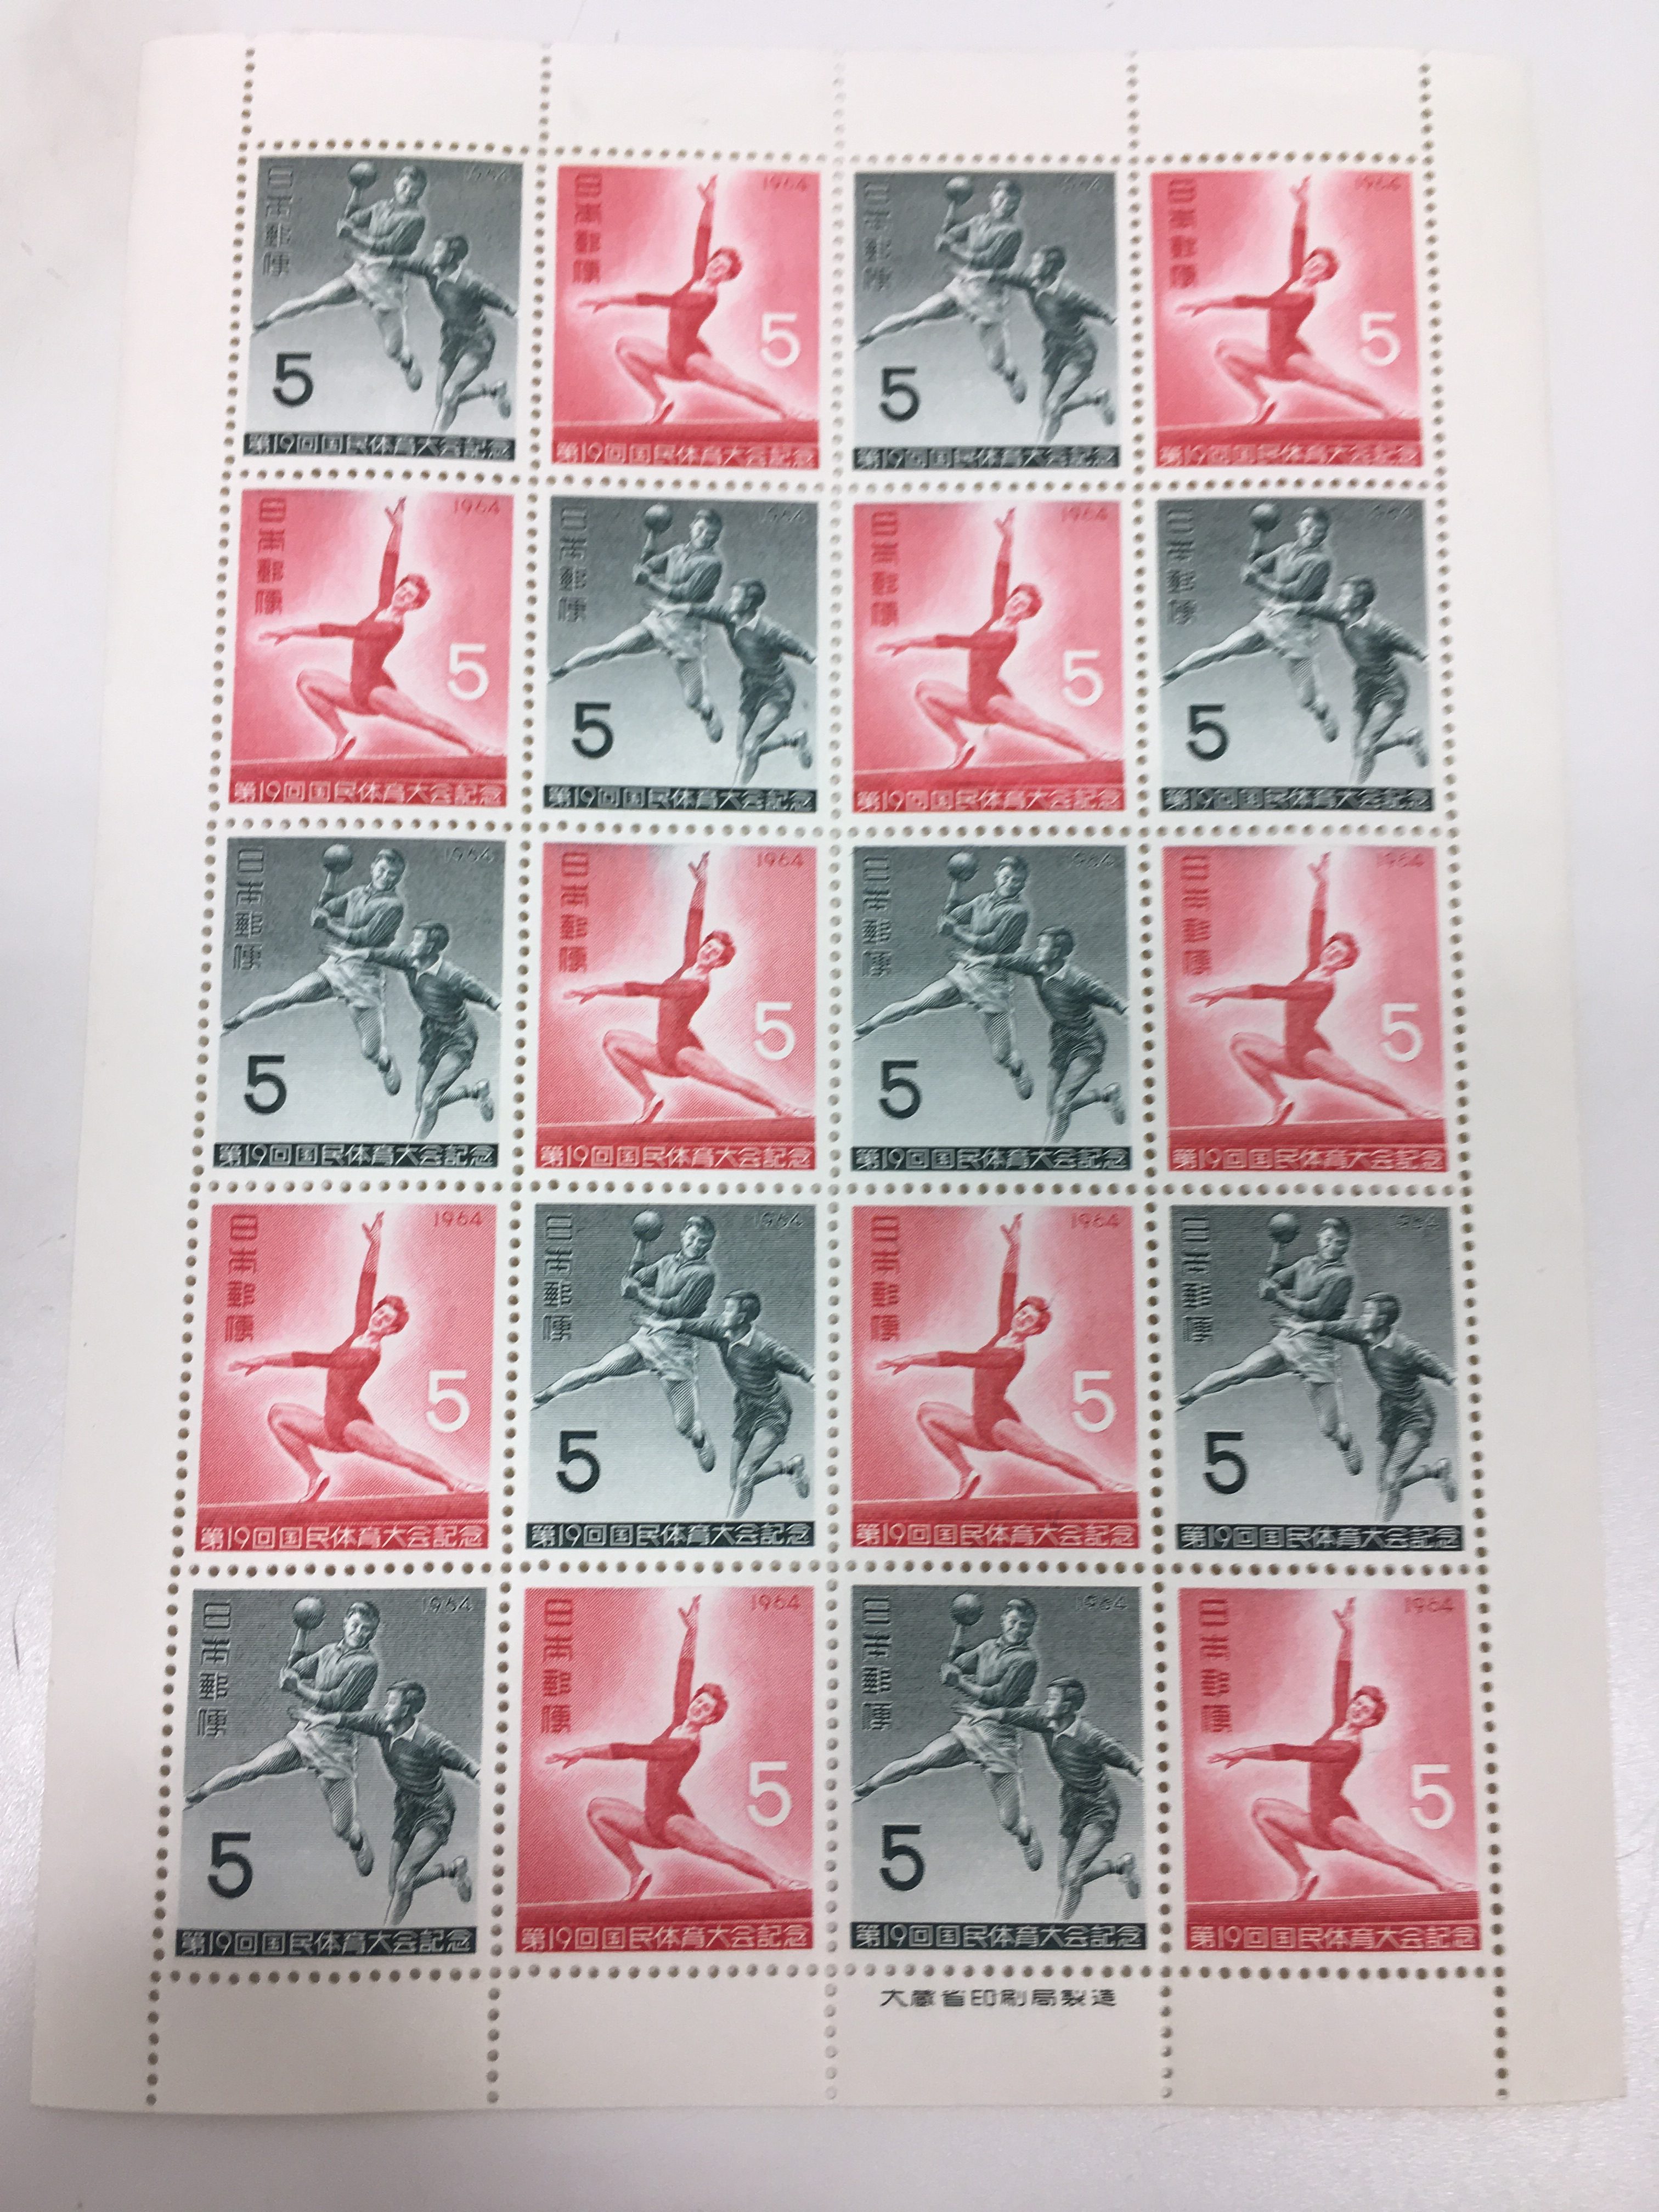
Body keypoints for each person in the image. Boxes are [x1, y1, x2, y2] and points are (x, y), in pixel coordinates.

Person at [1208, 1600, 1474, 1902]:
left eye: (1366, 1711)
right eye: (1357, 1703)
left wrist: (1244, 1752)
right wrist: (1348, 1634)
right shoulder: (1338, 1723)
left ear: (1371, 1722)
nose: (1358, 1709)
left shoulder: (1348, 1749)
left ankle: (1444, 1882)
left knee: (1387, 1853)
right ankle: (1305, 1874)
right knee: (1263, 1810)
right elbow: (1342, 1676)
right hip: (1316, 1823)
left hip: (1338, 1823)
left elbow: (1294, 1752)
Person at [547, 1597, 802, 1900]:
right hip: (651, 1821)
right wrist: (692, 1632)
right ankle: (637, 1872)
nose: (698, 1708)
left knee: (721, 1851)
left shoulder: (684, 1746)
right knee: (598, 1810)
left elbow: (631, 1751)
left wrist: (582, 1752)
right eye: (698, 1702)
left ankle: (779, 1879)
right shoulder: (680, 1720)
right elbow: (684, 1673)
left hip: (673, 1822)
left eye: (706, 1709)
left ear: (710, 1720)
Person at [227, 1213, 477, 1503]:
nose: (379, 1318)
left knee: (398, 1455)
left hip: (352, 1426)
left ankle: (455, 1482)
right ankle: (315, 1475)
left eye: (387, 1320)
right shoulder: (360, 1330)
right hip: (329, 1427)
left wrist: (264, 1360)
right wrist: (375, 1246)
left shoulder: (367, 1356)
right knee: (279, 1415)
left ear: (391, 1330)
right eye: (380, 1313)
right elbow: (366, 1285)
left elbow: (313, 1359)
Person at [877, 1214, 1120, 1502]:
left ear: (1035, 1331)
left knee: (1048, 1455)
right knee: (928, 1414)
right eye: (1022, 1313)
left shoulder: (1010, 1355)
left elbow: (958, 1359)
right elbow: (1008, 1288)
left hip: (999, 1426)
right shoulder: (1005, 1332)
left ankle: (1104, 1482)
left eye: (1030, 1321)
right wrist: (1015, 1248)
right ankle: (967, 1473)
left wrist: (910, 1359)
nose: (1022, 1319)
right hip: (979, 1424)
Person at [1187, 854, 1424, 1126]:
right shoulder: (1314, 966)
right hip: (1291, 1054)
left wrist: (1222, 992)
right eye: (1331, 948)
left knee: (1358, 1082)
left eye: (1339, 955)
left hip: (1312, 1055)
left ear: (1343, 965)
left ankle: (1411, 1107)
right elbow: (1317, 923)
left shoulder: (1322, 988)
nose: (1332, 953)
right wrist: (1322, 885)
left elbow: (1271, 992)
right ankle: (1281, 1100)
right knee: (1241, 1044)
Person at [563, 854, 798, 1124]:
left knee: (730, 1081)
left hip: (684, 1055)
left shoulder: (695, 987)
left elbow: (642, 989)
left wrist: (597, 989)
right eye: (708, 946)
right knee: (613, 1041)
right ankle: (650, 1098)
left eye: (715, 954)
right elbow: (694, 920)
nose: (707, 952)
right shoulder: (690, 963)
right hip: (662, 1053)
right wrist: (702, 884)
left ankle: (783, 1106)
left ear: (719, 964)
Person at [259, 501, 483, 762]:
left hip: (377, 694)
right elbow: (390, 564)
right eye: (402, 590)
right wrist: (398, 529)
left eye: (409, 596)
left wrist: (292, 630)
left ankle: (475, 745)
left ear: (413, 606)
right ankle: (343, 735)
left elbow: (337, 630)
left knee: (425, 721)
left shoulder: (390, 629)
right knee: (307, 680)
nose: (402, 595)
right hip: (356, 691)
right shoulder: (384, 606)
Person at [875, 509, 1095, 772]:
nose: (1015, 604)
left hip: (995, 702)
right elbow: (1001, 575)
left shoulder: (1005, 637)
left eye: (1022, 605)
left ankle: (1091, 750)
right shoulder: (997, 617)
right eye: (1015, 599)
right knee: (925, 691)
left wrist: (909, 642)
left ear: (1026, 615)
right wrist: (1008, 540)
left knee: (1041, 727)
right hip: (974, 701)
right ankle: (963, 744)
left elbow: (955, 641)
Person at [184, 1598, 383, 1877]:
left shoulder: (367, 1664)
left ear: (372, 1634)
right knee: (251, 1768)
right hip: (306, 1734)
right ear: (345, 1623)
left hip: (337, 1748)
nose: (359, 1632)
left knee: (342, 1827)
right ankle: (195, 1796)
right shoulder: (328, 1651)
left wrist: (297, 1689)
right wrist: (302, 1631)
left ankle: (357, 1840)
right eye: (356, 1625)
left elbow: (336, 1701)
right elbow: (297, 1668)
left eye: (366, 1629)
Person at [1175, 177, 1392, 427]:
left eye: (1319, 268)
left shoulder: (1304, 297)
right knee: (1226, 350)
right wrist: (1303, 205)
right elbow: (1298, 238)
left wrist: (1208, 303)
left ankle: (1389, 409)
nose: (1312, 266)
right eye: (1312, 262)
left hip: (1293, 360)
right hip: (1273, 358)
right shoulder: (1295, 279)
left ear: (1324, 277)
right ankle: (1264, 401)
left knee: (1337, 384)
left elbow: (1254, 302)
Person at [579, 177, 798, 425]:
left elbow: (654, 300)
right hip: (673, 359)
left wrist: (610, 299)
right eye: (715, 261)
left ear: (726, 277)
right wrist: (710, 205)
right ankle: (661, 400)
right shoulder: (697, 277)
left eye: (723, 268)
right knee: (626, 347)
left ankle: (786, 409)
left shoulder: (706, 297)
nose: (716, 266)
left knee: (736, 385)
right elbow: (703, 237)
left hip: (694, 361)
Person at [853, 1594, 1046, 1872]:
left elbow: (999, 1697)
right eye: (1013, 1622)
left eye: (1025, 1625)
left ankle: (1026, 1835)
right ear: (1004, 1620)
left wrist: (960, 1683)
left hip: (1000, 1739)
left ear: (1031, 1629)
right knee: (919, 1761)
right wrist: (961, 1629)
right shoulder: (988, 1647)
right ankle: (863, 1790)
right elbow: (957, 1663)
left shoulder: (1027, 1660)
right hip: (971, 1727)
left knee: (1010, 1821)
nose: (1017, 1629)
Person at [1176, 1214, 1364, 1479]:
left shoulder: (1343, 1277)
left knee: (1329, 1428)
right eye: (1328, 1238)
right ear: (1320, 1238)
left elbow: (1317, 1310)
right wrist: (1279, 1246)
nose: (1331, 1245)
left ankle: (1345, 1440)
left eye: (1338, 1242)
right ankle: (1186, 1398)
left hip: (1318, 1351)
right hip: (1289, 1340)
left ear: (1345, 1246)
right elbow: (1275, 1279)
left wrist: (1278, 1297)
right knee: (1240, 1372)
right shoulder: (1305, 1264)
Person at [533, 1214, 721, 1474]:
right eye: (693, 1238)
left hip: (677, 1350)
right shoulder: (667, 1262)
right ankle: (542, 1397)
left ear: (709, 1245)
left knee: (684, 1425)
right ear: (683, 1236)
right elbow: (637, 1278)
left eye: (703, 1242)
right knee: (597, 1370)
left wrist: (639, 1296)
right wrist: (641, 1244)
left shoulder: (704, 1274)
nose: (697, 1245)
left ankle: (698, 1436)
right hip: (648, 1338)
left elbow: (676, 1308)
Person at [223, 846, 408, 1098]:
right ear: (373, 867)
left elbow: (364, 938)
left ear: (398, 878)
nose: (385, 877)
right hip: (337, 968)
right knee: (287, 997)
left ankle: (384, 1062)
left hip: (365, 980)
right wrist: (332, 878)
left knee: (370, 1050)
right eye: (383, 870)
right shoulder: (356, 894)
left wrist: (328, 925)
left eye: (392, 874)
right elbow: (327, 907)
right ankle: (234, 1022)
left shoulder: (393, 906)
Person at [854, 851, 1036, 1101]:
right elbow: (952, 916)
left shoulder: (1018, 912)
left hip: (993, 984)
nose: (1010, 883)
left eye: (1016, 881)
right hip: (965, 973)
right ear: (997, 876)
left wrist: (955, 933)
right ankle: (864, 1028)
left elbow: (992, 944)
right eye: (1006, 877)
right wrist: (957, 883)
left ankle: (1017, 1067)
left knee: (1001, 1055)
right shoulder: (982, 901)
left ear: (1023, 884)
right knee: (916, 1004)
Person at [1162, 505, 1340, 747]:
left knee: (1306, 700)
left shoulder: (1321, 562)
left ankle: (1322, 712)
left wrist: (1258, 582)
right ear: (1299, 526)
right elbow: (1257, 565)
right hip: (1268, 622)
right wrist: (1261, 534)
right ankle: (1172, 674)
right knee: (1222, 650)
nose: (1312, 534)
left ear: (1325, 534)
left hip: (1296, 633)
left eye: (1318, 531)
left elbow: (1295, 593)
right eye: (1308, 527)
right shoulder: (1285, 550)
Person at [549, 509, 727, 744]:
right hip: (658, 622)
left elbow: (685, 594)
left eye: (711, 534)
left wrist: (649, 580)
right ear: (692, 527)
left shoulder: (712, 564)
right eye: (701, 530)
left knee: (693, 700)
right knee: (611, 649)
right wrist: (651, 540)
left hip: (685, 635)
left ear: (717, 537)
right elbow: (649, 565)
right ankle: (560, 671)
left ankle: (707, 711)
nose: (704, 536)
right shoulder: (676, 551)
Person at [255, 163, 430, 392]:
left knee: (393, 349)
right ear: (396, 184)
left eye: (415, 190)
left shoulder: (416, 219)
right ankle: (266, 322)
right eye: (405, 186)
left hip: (386, 287)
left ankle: (406, 360)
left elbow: (386, 247)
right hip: (361, 274)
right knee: (315, 300)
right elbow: (352, 219)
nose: (408, 193)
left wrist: (352, 234)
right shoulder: (381, 207)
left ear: (421, 192)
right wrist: (358, 191)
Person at [858, 178, 1029, 407]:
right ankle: (867, 338)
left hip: (987, 299)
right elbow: (950, 235)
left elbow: (986, 261)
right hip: (962, 288)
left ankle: (1010, 374)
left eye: (1010, 203)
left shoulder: (1013, 233)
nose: (1005, 206)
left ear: (1016, 205)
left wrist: (951, 249)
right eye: (1001, 200)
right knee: (916, 316)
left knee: (996, 363)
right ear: (992, 199)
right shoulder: (977, 221)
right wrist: (947, 233)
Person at [991, 1678, 1141, 1920]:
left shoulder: (1089, 1736)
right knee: (1066, 1880)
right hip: (1073, 1805)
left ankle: (1058, 1931)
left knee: (1074, 1872)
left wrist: (1145, 1775)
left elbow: (1124, 1757)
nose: (1046, 1703)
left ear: (1068, 1707)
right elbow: (1012, 1715)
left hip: (1100, 1807)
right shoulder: (1044, 1720)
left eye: (1052, 1699)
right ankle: (1119, 1866)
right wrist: (981, 1713)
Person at [337, 1680, 478, 1926]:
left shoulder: (429, 1740)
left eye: (392, 1702)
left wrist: (484, 1777)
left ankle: (386, 1938)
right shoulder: (382, 1724)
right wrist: (317, 1719)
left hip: (435, 1810)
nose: (386, 1706)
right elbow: (348, 1719)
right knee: (396, 1886)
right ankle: (451, 1870)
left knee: (405, 1878)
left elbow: (465, 1763)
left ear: (406, 1710)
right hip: (407, 1808)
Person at [668, 1291, 814, 1518]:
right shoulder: (721, 1331)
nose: (723, 1314)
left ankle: (730, 1528)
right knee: (737, 1482)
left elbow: (798, 1366)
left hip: (773, 1412)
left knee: (746, 1474)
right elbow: (690, 1326)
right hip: (746, 1410)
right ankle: (790, 1466)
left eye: (728, 1310)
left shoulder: (765, 1346)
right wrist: (659, 1325)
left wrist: (816, 1380)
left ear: (742, 1317)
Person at [1313, 1294, 1458, 1522]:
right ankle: (1436, 1470)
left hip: (1417, 1417)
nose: (1363, 1316)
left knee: (1392, 1479)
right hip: (1391, 1416)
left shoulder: (1406, 1349)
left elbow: (1440, 1370)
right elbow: (1331, 1328)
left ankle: (1380, 1532)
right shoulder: (1362, 1333)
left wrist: (1458, 1383)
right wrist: (1302, 1326)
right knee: (1385, 1484)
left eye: (1369, 1312)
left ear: (1382, 1320)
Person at [992, 925, 1127, 1143]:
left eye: (1043, 946)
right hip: (1061, 1040)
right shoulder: (1036, 965)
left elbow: (1111, 998)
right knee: (1053, 1107)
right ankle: (1106, 1095)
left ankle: (1048, 1154)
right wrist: (977, 960)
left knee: (1062, 1101)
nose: (1037, 950)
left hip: (1088, 1043)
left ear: (1056, 952)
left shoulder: (1079, 980)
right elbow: (1006, 961)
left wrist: (1127, 1010)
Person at [367, 921, 498, 1140]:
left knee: (430, 1098)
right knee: (423, 1105)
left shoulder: (452, 975)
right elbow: (378, 955)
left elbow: (484, 994)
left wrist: (501, 1007)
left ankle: (414, 1150)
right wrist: (349, 954)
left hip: (459, 1039)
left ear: (430, 947)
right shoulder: (409, 960)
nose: (411, 944)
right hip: (433, 1036)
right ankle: (474, 1092)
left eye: (417, 940)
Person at [686, 580, 815, 783]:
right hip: (752, 688)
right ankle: (793, 740)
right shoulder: (729, 616)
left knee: (750, 746)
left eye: (736, 597)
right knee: (743, 751)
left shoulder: (770, 631)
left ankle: (736, 795)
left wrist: (820, 663)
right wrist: (671, 609)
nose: (730, 600)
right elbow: (700, 611)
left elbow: (802, 649)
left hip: (777, 691)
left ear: (748, 603)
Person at [1309, 577, 1429, 785]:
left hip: (1391, 690)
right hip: (1365, 687)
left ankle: (1353, 795)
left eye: (1345, 595)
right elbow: (1313, 609)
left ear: (1358, 601)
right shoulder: (1340, 616)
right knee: (1360, 749)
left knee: (1366, 744)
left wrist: (1427, 659)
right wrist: (1286, 607)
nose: (1339, 599)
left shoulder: (1381, 628)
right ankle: (1408, 738)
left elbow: (1413, 647)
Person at [391, 233, 516, 431]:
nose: (433, 254)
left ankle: (434, 444)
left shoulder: (471, 283)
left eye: (439, 250)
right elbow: (405, 264)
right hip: (452, 339)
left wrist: (519, 315)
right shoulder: (431, 270)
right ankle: (492, 391)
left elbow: (502, 302)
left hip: (478, 343)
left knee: (450, 395)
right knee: (442, 400)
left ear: (451, 256)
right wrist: (377, 261)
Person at [1007, 245, 1116, 442]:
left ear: (1050, 268)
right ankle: (1096, 398)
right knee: (1047, 410)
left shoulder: (1069, 293)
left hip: (1080, 353)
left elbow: (1097, 308)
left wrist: (1115, 320)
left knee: (1053, 406)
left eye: (1037, 262)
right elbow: (1009, 278)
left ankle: (1040, 454)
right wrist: (983, 275)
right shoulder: (1031, 283)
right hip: (1054, 350)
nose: (1031, 266)